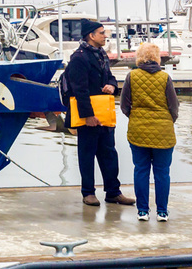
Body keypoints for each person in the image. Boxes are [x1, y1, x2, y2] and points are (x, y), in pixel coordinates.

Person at [64, 20, 135, 207]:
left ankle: (113, 192)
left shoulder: (100, 53)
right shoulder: (79, 58)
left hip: (104, 113)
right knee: (86, 154)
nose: (105, 36)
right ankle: (88, 192)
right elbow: (78, 89)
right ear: (91, 35)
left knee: (109, 153)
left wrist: (112, 85)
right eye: (102, 32)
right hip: (89, 115)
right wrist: (88, 115)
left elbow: (109, 75)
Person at [121, 41, 179, 222]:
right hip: (163, 131)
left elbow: (124, 105)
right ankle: (162, 212)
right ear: (157, 57)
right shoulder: (165, 77)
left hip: (138, 129)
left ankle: (142, 211)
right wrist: (168, 120)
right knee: (162, 172)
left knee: (141, 170)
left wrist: (136, 117)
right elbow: (174, 106)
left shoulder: (132, 76)